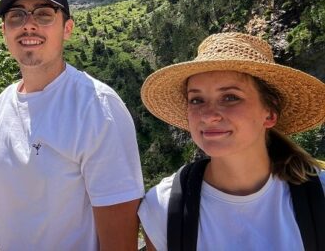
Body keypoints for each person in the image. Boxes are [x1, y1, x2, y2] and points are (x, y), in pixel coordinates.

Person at [0, 0, 144, 250]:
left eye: (44, 14)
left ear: (67, 28)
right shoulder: (4, 102)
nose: (29, 25)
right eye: (16, 16)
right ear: (4, 31)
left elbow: (120, 242)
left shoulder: (97, 106)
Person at [138, 32, 325, 251]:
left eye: (230, 97)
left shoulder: (319, 193)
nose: (208, 115)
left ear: (270, 113)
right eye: (196, 100)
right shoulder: (163, 208)